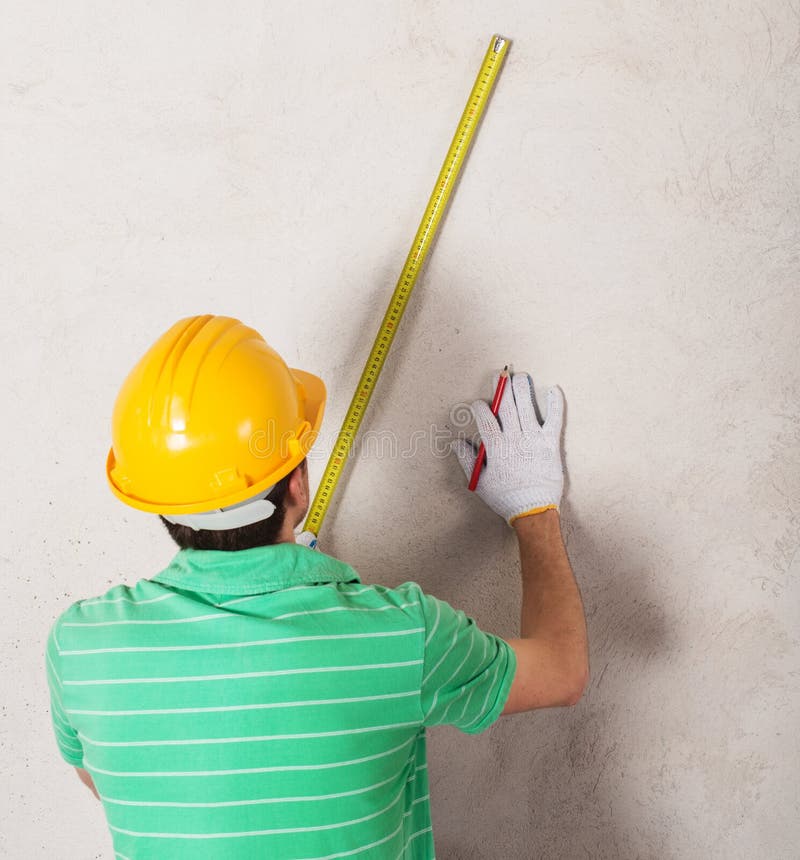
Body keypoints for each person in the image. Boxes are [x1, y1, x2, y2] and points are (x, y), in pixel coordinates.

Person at [45, 314, 589, 859]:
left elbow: (100, 778)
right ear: (299, 483)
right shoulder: (401, 634)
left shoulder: (80, 648)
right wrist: (532, 508)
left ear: (157, 501)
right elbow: (562, 672)